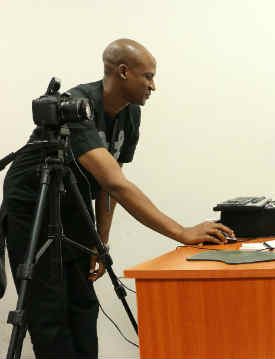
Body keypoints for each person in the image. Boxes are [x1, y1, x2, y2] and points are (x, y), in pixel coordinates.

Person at [1, 39, 234, 358]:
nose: (153, 86)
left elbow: (107, 185)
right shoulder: (78, 106)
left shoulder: (130, 114)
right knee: (50, 311)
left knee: (83, 305)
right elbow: (117, 183)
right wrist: (181, 231)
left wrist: (101, 242)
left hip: (74, 202)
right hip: (34, 204)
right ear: (123, 72)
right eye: (148, 76)